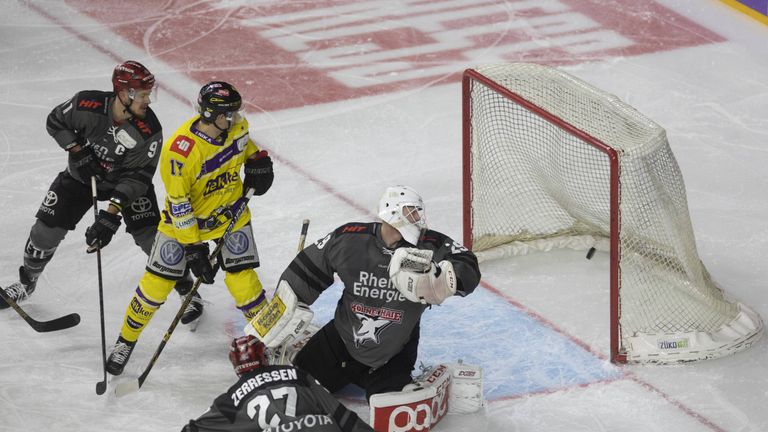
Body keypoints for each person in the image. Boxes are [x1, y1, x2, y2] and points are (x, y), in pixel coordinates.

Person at [0, 60, 202, 323]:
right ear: (124, 92)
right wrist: (78, 151)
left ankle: (187, 289)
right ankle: (27, 282)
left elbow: (138, 177)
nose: (148, 101)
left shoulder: (149, 130)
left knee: (152, 238)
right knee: (44, 231)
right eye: (142, 95)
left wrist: (110, 216)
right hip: (81, 178)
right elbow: (55, 121)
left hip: (127, 185)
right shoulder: (87, 104)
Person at [245, 185, 481, 401]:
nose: (415, 225)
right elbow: (301, 277)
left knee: (392, 408)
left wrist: (444, 278)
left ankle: (402, 383)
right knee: (294, 390)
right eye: (408, 218)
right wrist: (262, 335)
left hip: (393, 354)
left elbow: (467, 265)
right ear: (389, 215)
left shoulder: (429, 245)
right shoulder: (350, 239)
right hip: (339, 342)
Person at [106, 81, 274, 375]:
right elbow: (180, 205)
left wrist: (259, 162)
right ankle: (125, 341)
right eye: (228, 114)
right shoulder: (180, 153)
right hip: (182, 226)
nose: (235, 118)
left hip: (230, 215)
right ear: (209, 114)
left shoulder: (236, 126)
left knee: (242, 280)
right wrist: (194, 249)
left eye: (236, 112)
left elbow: (246, 147)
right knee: (155, 288)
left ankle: (272, 336)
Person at [181, 335, 374, 432]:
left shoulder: (233, 397)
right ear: (264, 357)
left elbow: (194, 429)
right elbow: (340, 414)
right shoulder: (297, 374)